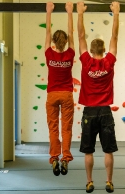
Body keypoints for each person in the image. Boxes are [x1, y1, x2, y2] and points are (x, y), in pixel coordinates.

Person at [76, 1, 120, 193]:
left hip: (89, 112)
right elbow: (115, 36)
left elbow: (79, 36)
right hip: (105, 111)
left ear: (91, 51)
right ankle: (109, 181)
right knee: (108, 150)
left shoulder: (86, 61)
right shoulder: (109, 61)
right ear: (103, 50)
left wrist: (79, 13)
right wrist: (116, 13)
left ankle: (89, 181)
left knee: (88, 150)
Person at [45, 1, 75, 176]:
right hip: (67, 94)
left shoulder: (49, 53)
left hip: (52, 95)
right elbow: (71, 32)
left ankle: (54, 157)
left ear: (54, 42)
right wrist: (69, 12)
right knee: (67, 128)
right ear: (66, 41)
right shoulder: (70, 54)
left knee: (53, 127)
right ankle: (65, 158)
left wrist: (49, 11)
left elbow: (48, 32)